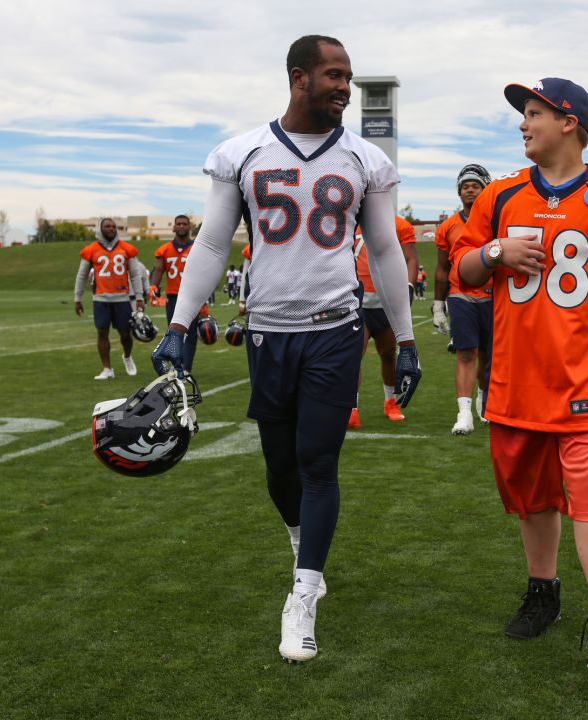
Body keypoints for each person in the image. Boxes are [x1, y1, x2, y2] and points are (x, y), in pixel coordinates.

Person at [149, 34, 421, 664]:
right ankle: (306, 549)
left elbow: (382, 250)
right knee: (278, 468)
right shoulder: (244, 151)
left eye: (348, 79)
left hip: (335, 327)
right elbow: (213, 245)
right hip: (269, 330)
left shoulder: (363, 158)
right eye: (334, 76)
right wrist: (181, 324)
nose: (344, 89)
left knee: (317, 462)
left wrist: (405, 339)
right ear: (299, 77)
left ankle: (302, 596)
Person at [452, 77, 588, 682]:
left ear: (569, 122)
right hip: (516, 380)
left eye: (535, 112)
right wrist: (494, 253)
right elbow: (464, 271)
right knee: (532, 495)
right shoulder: (499, 195)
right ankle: (544, 590)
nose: (524, 123)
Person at [433, 163, 493, 435]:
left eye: (475, 186)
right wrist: (438, 305)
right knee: (466, 353)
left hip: (493, 296)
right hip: (461, 295)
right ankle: (464, 413)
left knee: (491, 356)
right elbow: (442, 268)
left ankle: (485, 398)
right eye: (465, 186)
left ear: (485, 188)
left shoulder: (498, 220)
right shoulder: (448, 226)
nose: (470, 190)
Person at [348, 214, 419, 427]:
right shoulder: (347, 219)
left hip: (385, 303)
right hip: (357, 302)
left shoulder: (399, 225)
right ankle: (351, 407)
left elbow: (411, 259)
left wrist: (408, 287)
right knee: (353, 356)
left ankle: (390, 402)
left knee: (389, 354)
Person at [74, 218, 147, 380]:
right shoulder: (91, 249)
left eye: (114, 226)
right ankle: (107, 368)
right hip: (101, 298)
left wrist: (140, 297)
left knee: (125, 334)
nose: (111, 229)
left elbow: (135, 274)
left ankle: (127, 356)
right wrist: (77, 298)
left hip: (122, 298)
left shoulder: (126, 248)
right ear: (100, 228)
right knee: (102, 332)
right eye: (107, 226)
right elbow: (82, 275)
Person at [149, 215, 201, 372]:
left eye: (184, 223)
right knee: (174, 331)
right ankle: (177, 364)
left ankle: (185, 367)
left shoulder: (197, 248)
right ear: (173, 227)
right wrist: (153, 286)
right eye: (178, 223)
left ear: (189, 227)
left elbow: (203, 272)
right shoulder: (165, 249)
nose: (181, 226)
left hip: (192, 296)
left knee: (191, 334)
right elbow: (158, 270)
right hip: (173, 296)